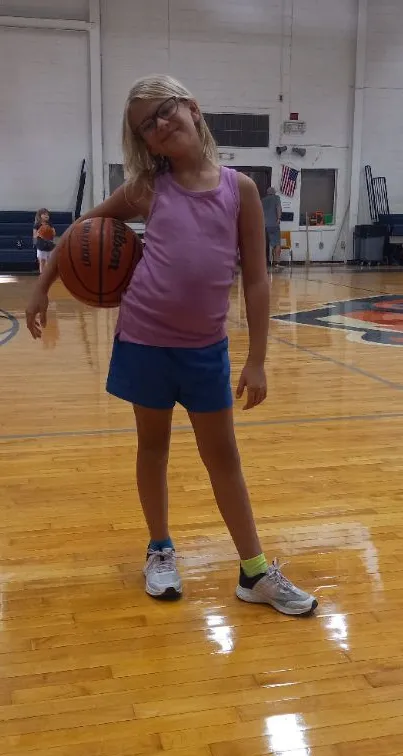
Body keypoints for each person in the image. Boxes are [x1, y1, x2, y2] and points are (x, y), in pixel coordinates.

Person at [26, 75, 317, 616]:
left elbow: (256, 278)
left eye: (164, 112)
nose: (159, 126)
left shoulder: (241, 189)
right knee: (152, 449)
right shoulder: (147, 189)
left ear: (191, 108)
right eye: (147, 126)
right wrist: (43, 287)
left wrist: (256, 359)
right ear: (147, 143)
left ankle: (254, 571)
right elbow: (84, 227)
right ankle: (160, 549)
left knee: (223, 457)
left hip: (205, 348)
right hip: (143, 341)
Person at [262, 186, 282, 269]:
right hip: (274, 224)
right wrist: (278, 218)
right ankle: (276, 262)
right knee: (277, 244)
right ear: (274, 192)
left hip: (264, 225)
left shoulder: (262, 200)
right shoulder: (276, 198)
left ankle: (262, 263)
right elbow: (278, 208)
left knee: (264, 244)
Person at [33, 208, 56, 274]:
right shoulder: (37, 225)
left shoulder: (50, 224)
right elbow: (34, 235)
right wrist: (41, 232)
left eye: (47, 214)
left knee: (49, 262)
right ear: (40, 215)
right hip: (41, 245)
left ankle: (48, 275)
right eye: (44, 214)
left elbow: (54, 233)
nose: (46, 215)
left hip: (49, 245)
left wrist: (49, 232)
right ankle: (42, 276)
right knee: (42, 262)